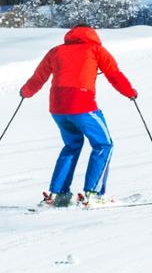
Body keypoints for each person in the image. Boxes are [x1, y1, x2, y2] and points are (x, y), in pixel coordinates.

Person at [20, 26, 138, 208]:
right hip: (82, 105)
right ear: (92, 34)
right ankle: (93, 194)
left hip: (58, 108)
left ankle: (59, 194)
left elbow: (39, 77)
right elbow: (114, 74)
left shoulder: (56, 51)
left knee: (72, 145)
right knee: (104, 144)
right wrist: (129, 92)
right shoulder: (95, 49)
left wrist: (26, 92)